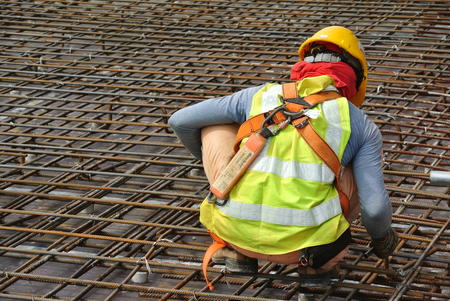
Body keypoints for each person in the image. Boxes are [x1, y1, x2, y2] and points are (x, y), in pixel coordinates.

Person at [168, 26, 398, 289]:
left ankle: (238, 252)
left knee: (214, 126)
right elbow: (375, 208)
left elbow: (180, 121)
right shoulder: (359, 122)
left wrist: (219, 165)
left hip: (232, 233)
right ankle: (316, 270)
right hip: (313, 249)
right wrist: (382, 239)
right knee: (355, 165)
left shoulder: (257, 96)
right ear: (355, 77)